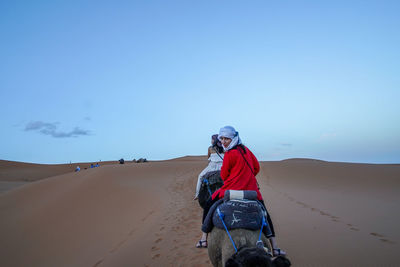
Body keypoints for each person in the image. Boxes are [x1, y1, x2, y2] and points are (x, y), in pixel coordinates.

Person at [196, 126, 286, 256]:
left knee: (210, 204)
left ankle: (203, 238)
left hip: (231, 190)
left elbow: (224, 176)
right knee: (265, 214)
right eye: (222, 138)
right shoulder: (246, 150)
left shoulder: (229, 154)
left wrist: (235, 177)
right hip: (251, 191)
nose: (223, 141)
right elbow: (256, 167)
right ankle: (275, 247)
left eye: (227, 138)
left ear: (233, 138)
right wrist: (246, 177)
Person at [194, 134, 224, 200]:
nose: (211, 141)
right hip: (223, 166)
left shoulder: (210, 148)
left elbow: (208, 158)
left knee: (200, 176)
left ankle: (197, 194)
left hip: (212, 166)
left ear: (214, 140)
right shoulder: (224, 148)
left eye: (212, 139)